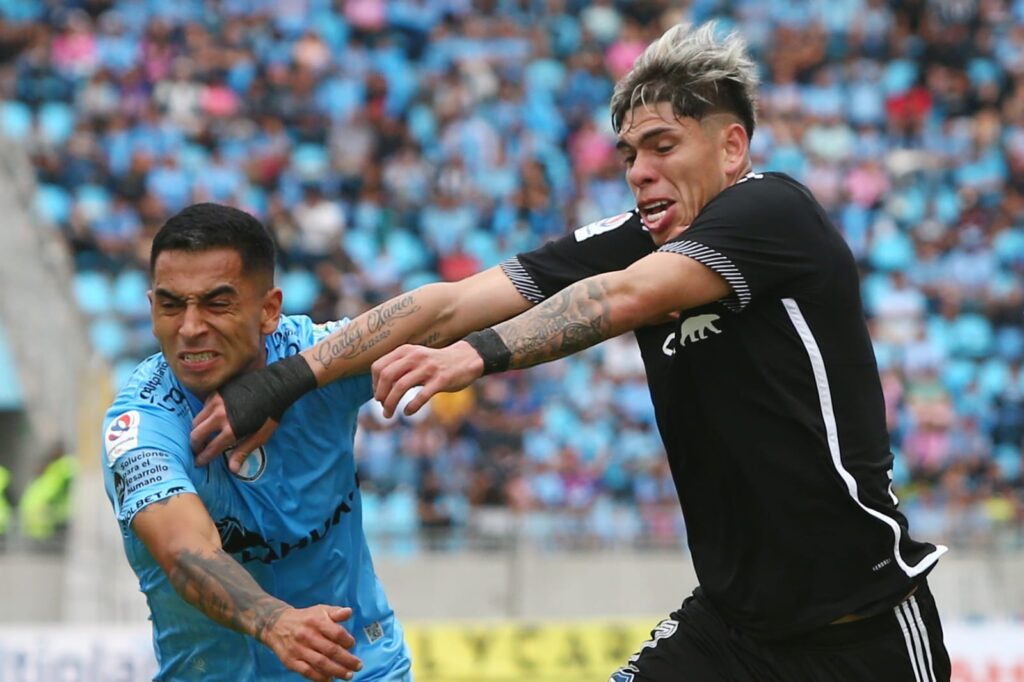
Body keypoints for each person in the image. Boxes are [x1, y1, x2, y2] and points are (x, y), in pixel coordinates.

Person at [191, 23, 951, 682]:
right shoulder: (638, 232)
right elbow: (449, 300)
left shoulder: (772, 211)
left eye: (662, 146)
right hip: (734, 632)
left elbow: (621, 299)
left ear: (732, 146)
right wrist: (283, 381)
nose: (639, 171)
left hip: (862, 629)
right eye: (627, 154)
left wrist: (474, 357)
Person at [101, 203, 410, 681]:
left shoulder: (316, 353)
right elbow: (185, 550)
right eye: (170, 305)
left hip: (361, 667)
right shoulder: (140, 423)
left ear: (268, 309)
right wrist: (274, 620)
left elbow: (446, 311)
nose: (189, 327)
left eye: (216, 303)